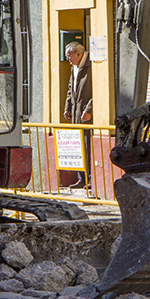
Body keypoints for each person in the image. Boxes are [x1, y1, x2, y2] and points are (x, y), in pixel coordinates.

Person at [63, 41, 92, 189]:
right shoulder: (74, 67)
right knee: (80, 147)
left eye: (69, 56)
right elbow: (71, 89)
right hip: (76, 114)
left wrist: (89, 110)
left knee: (88, 148)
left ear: (79, 54)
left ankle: (90, 180)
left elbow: (97, 90)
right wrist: (67, 108)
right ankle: (82, 179)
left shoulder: (91, 66)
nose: (67, 59)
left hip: (86, 115)